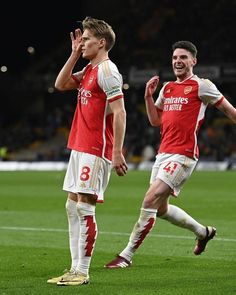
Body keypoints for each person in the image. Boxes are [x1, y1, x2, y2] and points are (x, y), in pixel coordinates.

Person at [105, 40, 236, 269]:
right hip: (163, 153)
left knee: (149, 199)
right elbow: (156, 120)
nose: (178, 61)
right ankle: (203, 232)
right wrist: (148, 96)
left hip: (183, 155)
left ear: (193, 61)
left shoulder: (202, 85)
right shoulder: (167, 88)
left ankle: (126, 255)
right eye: (175, 58)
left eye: (183, 57)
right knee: (161, 209)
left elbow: (229, 111)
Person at [47, 16, 128, 285]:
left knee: (84, 209)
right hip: (79, 145)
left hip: (96, 148)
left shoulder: (107, 70)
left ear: (101, 42)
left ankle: (82, 272)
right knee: (72, 206)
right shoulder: (90, 69)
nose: (82, 43)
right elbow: (60, 84)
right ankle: (74, 268)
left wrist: (117, 152)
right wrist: (72, 55)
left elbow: (120, 111)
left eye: (86, 40)